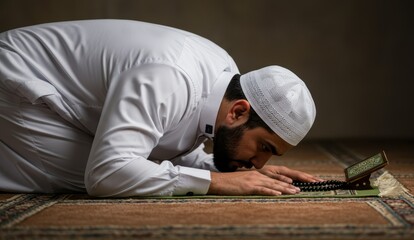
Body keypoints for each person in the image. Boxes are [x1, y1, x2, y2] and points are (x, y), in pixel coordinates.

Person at [0, 19, 321, 197]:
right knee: (95, 173)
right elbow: (105, 175)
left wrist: (218, 168)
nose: (259, 162)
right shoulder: (172, 78)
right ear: (238, 111)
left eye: (270, 155)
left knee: (138, 165)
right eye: (263, 147)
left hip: (50, 97)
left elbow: (164, 141)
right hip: (14, 79)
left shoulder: (223, 79)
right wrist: (217, 182)